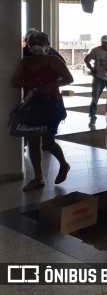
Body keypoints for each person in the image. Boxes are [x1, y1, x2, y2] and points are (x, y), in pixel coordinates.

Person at [10, 31, 73, 191]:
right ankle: (38, 178)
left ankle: (64, 164)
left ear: (47, 45)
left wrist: (49, 86)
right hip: (32, 107)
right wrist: (29, 83)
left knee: (48, 142)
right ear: (28, 46)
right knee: (32, 142)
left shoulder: (54, 61)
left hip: (51, 105)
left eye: (39, 42)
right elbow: (14, 82)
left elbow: (69, 79)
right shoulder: (25, 62)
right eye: (33, 43)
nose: (36, 46)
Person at [84, 35, 107, 129]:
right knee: (95, 99)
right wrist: (91, 69)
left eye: (106, 42)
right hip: (98, 78)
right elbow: (86, 60)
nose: (104, 44)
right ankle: (92, 118)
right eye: (103, 42)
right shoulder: (95, 50)